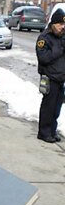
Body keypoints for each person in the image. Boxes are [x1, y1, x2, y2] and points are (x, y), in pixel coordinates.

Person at [36, 8, 65, 143]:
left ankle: (52, 131)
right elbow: (43, 58)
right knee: (48, 107)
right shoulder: (44, 38)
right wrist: (59, 50)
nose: (62, 27)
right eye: (60, 24)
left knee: (56, 108)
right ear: (53, 24)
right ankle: (44, 132)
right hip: (49, 78)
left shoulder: (62, 37)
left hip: (60, 78)